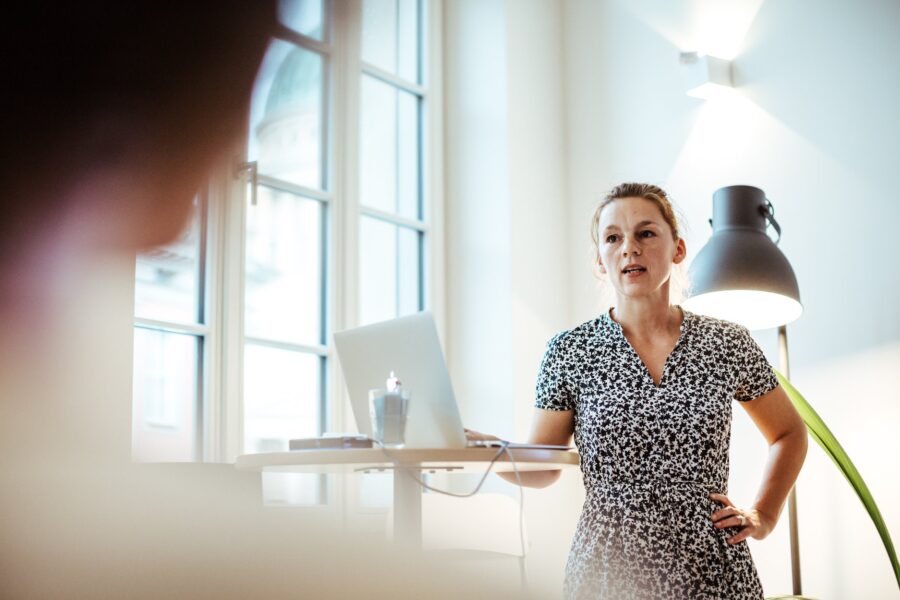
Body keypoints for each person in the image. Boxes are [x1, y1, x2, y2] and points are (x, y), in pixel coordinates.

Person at [467, 182, 808, 599]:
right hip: (607, 572)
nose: (629, 247)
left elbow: (789, 433)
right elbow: (543, 463)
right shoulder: (570, 350)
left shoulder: (728, 343)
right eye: (613, 238)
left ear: (678, 249)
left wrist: (764, 515)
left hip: (713, 571)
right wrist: (488, 449)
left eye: (645, 233)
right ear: (600, 261)